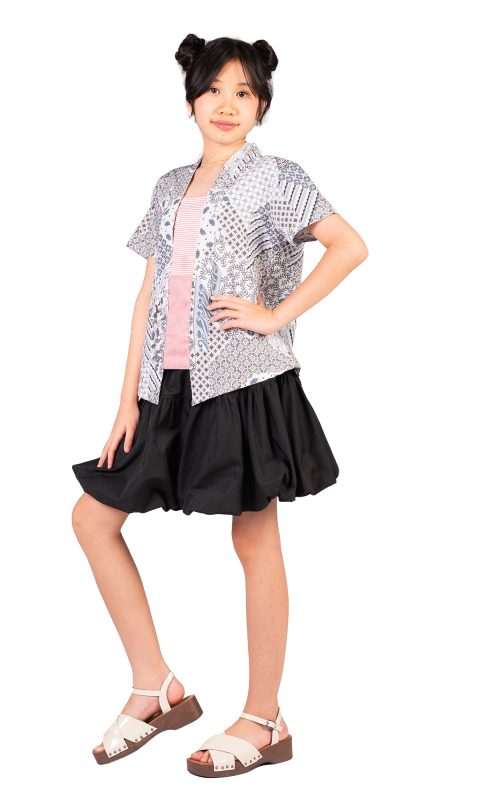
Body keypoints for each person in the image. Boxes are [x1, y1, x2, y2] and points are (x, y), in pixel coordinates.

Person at [71, 33, 368, 778]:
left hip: (243, 382)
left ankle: (264, 717)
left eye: (244, 92)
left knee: (254, 539)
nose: (227, 104)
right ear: (191, 100)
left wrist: (274, 316)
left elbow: (349, 246)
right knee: (92, 519)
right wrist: (127, 398)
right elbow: (148, 294)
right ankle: (155, 686)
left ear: (261, 105)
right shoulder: (170, 184)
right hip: (164, 388)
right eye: (213, 90)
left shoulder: (277, 178)